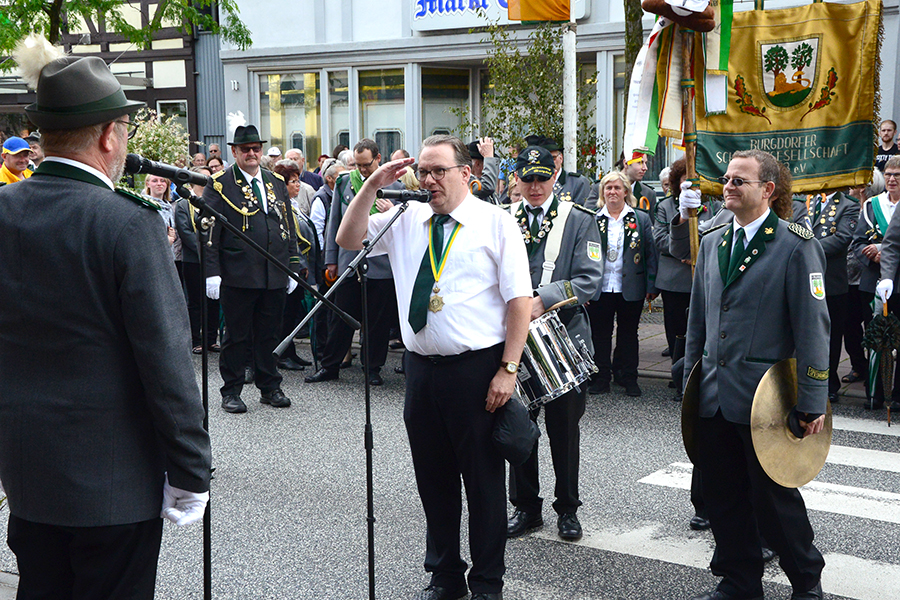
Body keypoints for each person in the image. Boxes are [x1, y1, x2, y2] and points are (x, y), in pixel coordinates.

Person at [0, 51, 211, 598]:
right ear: (109, 136)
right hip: (113, 485)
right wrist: (191, 469)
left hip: (27, 472)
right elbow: (167, 362)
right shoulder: (128, 223)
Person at [335, 134, 532, 600]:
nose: (429, 180)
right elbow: (348, 239)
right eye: (423, 171)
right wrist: (372, 184)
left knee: (483, 484)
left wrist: (508, 369)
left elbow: (520, 301)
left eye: (439, 170)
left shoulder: (495, 222)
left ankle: (487, 582)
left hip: (476, 369)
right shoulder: (406, 217)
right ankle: (445, 575)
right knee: (434, 481)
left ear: (466, 173)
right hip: (422, 370)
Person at [684, 149, 828, 600]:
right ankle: (739, 580)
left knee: (774, 502)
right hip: (714, 395)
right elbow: (698, 321)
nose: (727, 186)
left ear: (767, 190)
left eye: (738, 180)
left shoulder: (795, 245)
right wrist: (691, 385)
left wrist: (812, 400)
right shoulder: (712, 241)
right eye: (727, 179)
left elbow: (813, 327)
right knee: (722, 497)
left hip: (765, 402)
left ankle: (806, 579)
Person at [503, 146, 602, 543]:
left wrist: (541, 299)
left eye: (542, 178)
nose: (534, 186)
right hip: (513, 340)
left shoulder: (579, 220)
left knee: (564, 432)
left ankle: (568, 509)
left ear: (554, 176)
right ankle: (526, 506)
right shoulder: (502, 217)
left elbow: (590, 279)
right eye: (527, 179)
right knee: (518, 426)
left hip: (562, 339)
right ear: (517, 179)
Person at [204, 123, 301, 414]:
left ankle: (269, 386)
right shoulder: (220, 183)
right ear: (234, 152)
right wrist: (211, 272)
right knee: (237, 336)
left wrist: (293, 264)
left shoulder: (275, 181)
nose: (251, 154)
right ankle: (231, 390)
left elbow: (287, 225)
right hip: (239, 273)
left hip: (274, 272)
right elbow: (208, 229)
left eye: (255, 149)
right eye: (245, 149)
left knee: (269, 334)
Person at [306, 138, 401, 386]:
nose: (362, 170)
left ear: (378, 159)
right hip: (349, 260)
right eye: (358, 165)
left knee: (377, 321)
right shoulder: (345, 183)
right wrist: (331, 259)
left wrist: (391, 210)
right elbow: (334, 222)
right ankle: (330, 366)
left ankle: (372, 368)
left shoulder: (395, 185)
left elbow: (403, 228)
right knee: (339, 318)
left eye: (367, 164)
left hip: (380, 264)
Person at [587, 170, 658, 397]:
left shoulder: (640, 218)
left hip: (630, 286)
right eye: (608, 188)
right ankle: (601, 378)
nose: (612, 192)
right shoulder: (593, 219)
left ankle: (629, 377)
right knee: (600, 335)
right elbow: (584, 256)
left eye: (617, 188)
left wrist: (651, 286)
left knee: (629, 334)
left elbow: (650, 253)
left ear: (626, 192)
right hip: (601, 288)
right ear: (602, 192)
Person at [792, 187, 859, 403]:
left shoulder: (848, 205)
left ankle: (829, 383)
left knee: (830, 336)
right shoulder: (801, 200)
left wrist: (806, 248)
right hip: (801, 278)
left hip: (830, 283)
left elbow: (842, 238)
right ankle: (801, 380)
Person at [653, 159, 721, 366]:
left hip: (704, 278)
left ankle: (698, 373)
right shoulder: (665, 206)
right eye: (687, 179)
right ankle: (677, 373)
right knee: (676, 331)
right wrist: (684, 250)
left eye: (697, 179)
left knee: (703, 330)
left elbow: (719, 234)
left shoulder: (715, 205)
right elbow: (660, 238)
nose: (693, 184)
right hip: (674, 280)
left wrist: (698, 253)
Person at [852, 168, 895, 408]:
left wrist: (883, 251)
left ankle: (896, 395)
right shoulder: (872, 205)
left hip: (898, 282)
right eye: (888, 174)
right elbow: (858, 242)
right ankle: (875, 393)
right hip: (873, 282)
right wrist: (872, 256)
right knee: (875, 339)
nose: (892, 179)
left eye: (898, 175)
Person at [175, 166, 221, 354]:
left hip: (213, 261)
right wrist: (205, 250)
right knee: (195, 301)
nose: (206, 180)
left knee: (214, 300)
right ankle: (196, 339)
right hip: (193, 260)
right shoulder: (182, 204)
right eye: (202, 177)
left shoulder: (215, 201)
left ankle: (211, 339)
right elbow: (185, 232)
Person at [525, 134, 591, 206]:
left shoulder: (578, 182)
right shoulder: (530, 182)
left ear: (561, 158)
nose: (550, 162)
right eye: (545, 159)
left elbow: (583, 211)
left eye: (553, 158)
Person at [467, 137, 500, 203]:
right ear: (478, 164)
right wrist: (488, 157)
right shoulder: (466, 180)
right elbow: (487, 187)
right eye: (489, 164)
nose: (494, 169)